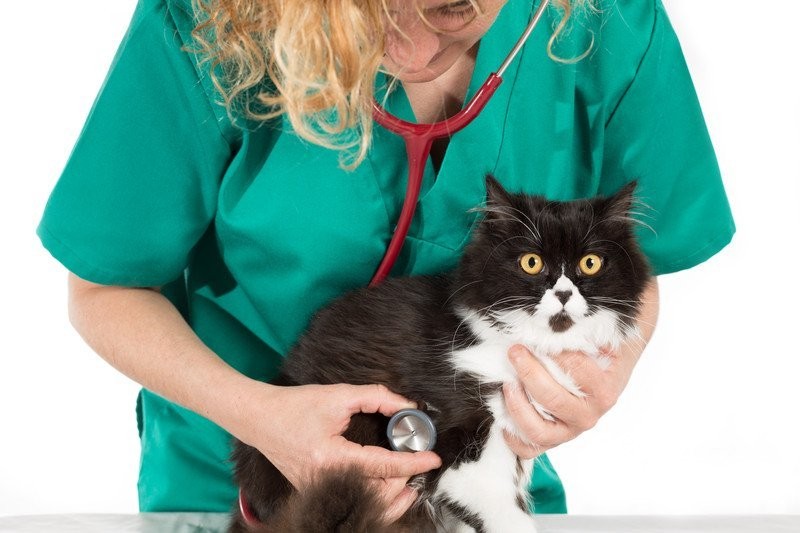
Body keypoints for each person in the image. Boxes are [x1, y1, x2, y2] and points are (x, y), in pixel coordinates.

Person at [37, 0, 734, 521]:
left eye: (454, 9)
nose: (412, 43)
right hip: (244, 492)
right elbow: (102, 287)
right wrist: (262, 418)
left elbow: (632, 273)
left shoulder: (604, 22)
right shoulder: (214, 22)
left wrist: (603, 375)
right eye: (371, 9)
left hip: (481, 488)